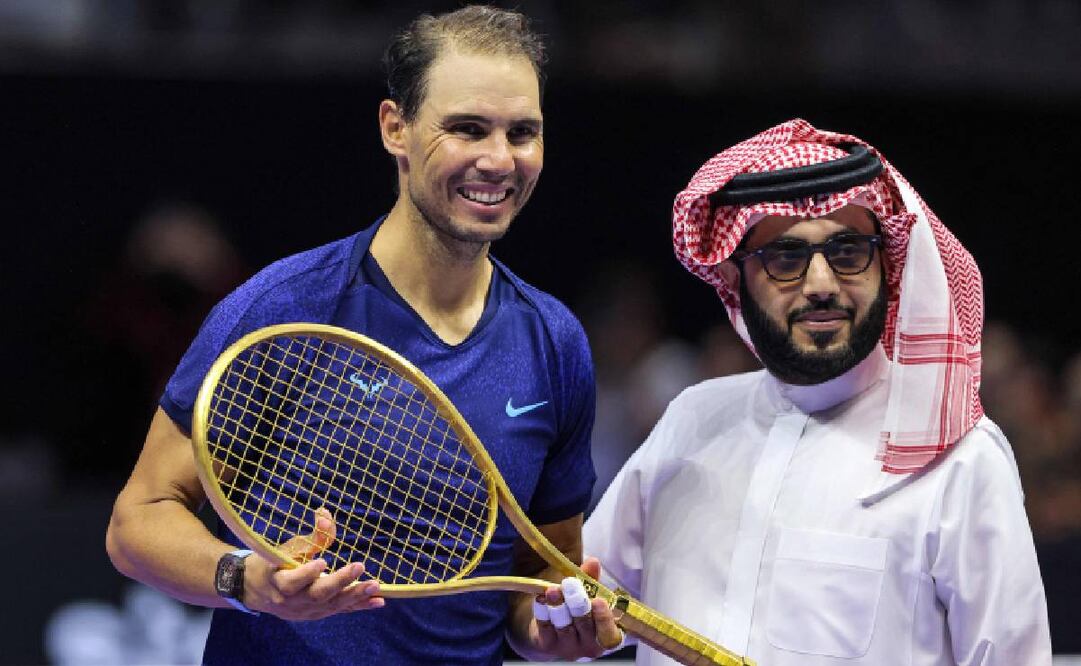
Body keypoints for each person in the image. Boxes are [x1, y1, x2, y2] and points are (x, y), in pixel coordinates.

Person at [107, 6, 616, 664]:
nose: (499, 159)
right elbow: (138, 520)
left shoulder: (555, 343)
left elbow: (536, 582)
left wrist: (552, 631)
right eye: (468, 129)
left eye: (522, 133)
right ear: (395, 128)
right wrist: (249, 581)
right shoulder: (285, 307)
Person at [582, 119, 1053, 665]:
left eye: (848, 253)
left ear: (886, 268)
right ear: (735, 279)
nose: (823, 284)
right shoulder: (693, 420)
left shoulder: (961, 458)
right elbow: (581, 614)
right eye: (786, 259)